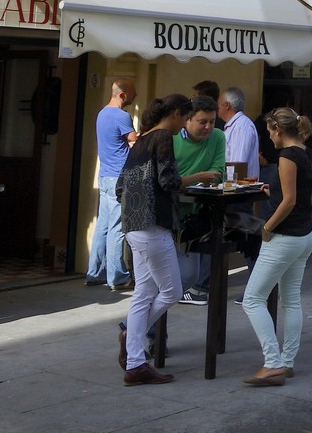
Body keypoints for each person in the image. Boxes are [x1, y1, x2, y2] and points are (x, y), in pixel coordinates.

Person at [118, 94, 219, 385]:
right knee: (172, 291)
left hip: (133, 224)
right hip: (154, 225)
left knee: (143, 293)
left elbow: (121, 185)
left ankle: (135, 361)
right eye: (185, 118)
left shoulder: (142, 139)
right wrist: (198, 176)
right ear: (176, 114)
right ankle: (132, 342)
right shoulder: (162, 137)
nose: (184, 124)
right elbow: (169, 182)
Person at [242, 107, 312, 387]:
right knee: (292, 300)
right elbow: (311, 197)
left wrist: (266, 227)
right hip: (304, 235)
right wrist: (272, 191)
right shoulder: (309, 152)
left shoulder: (287, 156)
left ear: (278, 129)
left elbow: (289, 201)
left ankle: (273, 363)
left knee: (252, 299)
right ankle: (287, 361)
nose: (269, 138)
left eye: (269, 132)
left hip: (284, 237)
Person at [172, 95, 225, 306]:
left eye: (212, 121)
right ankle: (144, 322)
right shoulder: (171, 137)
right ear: (187, 120)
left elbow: (217, 172)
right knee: (157, 280)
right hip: (165, 216)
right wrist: (198, 177)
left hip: (192, 220)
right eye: (203, 122)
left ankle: (143, 319)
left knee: (190, 275)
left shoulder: (218, 137)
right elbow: (167, 180)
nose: (208, 127)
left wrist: (186, 180)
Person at [85, 79, 137, 292]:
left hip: (105, 175)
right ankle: (117, 277)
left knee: (103, 225)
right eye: (133, 93)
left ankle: (95, 273)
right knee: (117, 227)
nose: (135, 96)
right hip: (118, 177)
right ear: (122, 95)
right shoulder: (121, 116)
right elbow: (133, 141)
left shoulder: (102, 114)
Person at [217, 87, 260, 181]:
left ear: (227, 105)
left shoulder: (241, 127)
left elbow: (238, 164)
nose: (217, 108)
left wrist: (230, 185)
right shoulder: (236, 125)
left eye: (218, 104)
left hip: (239, 187)